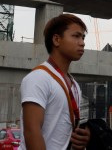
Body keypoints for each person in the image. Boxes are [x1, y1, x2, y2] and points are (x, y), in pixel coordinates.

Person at [20, 13, 91, 150]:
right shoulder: (38, 78)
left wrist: (83, 139)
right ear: (57, 40)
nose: (82, 42)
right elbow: (32, 132)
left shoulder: (74, 85)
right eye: (76, 36)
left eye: (83, 37)